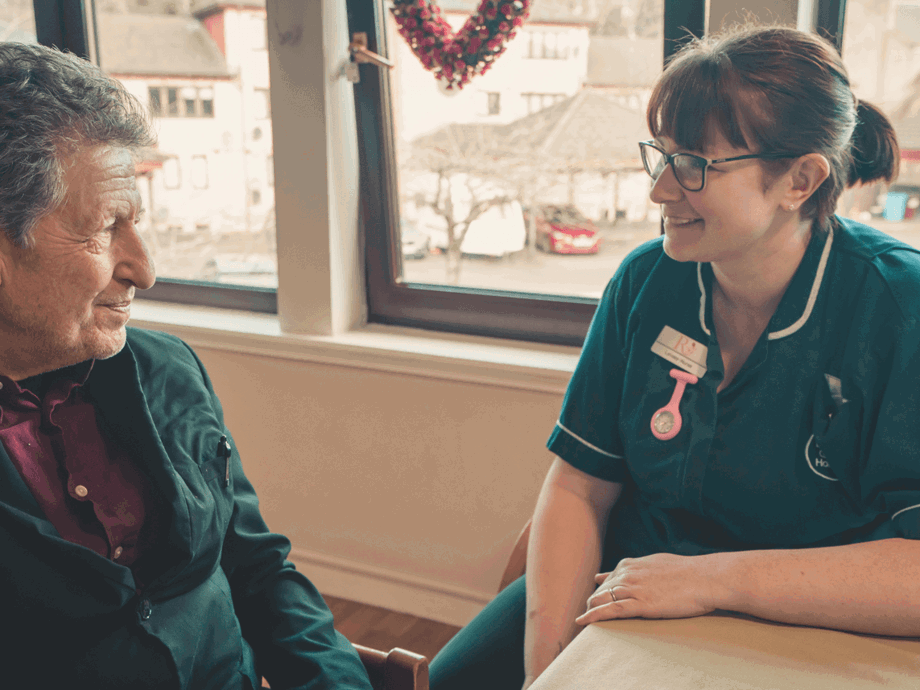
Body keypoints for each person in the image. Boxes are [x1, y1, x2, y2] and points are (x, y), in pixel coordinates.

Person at [429, 24, 920, 690]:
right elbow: (579, 485)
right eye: (658, 156)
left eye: (693, 165)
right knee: (458, 679)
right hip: (634, 577)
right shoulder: (645, 282)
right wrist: (549, 669)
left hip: (808, 614)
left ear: (799, 179)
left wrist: (709, 580)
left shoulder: (895, 306)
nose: (659, 191)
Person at [0, 42, 372, 689]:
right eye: (106, 226)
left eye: (136, 221)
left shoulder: (167, 368)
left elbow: (256, 566)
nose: (144, 268)